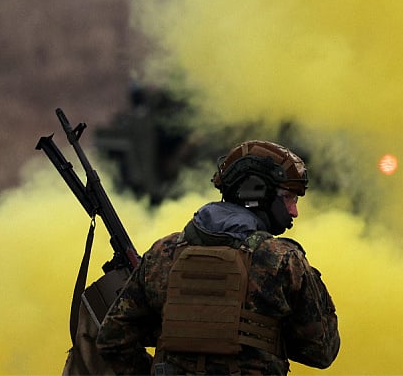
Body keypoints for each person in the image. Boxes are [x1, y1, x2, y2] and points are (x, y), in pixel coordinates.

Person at [96, 140, 340, 375]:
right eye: (289, 198)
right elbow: (322, 352)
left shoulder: (162, 253)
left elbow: (112, 339)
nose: (293, 212)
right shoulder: (283, 261)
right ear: (256, 191)